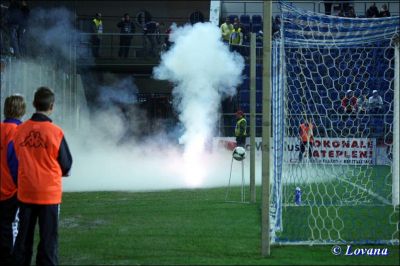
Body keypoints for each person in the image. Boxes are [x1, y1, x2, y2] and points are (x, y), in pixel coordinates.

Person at [10, 87, 73, 266]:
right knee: (48, 241)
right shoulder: (56, 132)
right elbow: (67, 164)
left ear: (33, 104)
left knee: (23, 239)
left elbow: (17, 156)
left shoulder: (19, 131)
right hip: (48, 194)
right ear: (51, 106)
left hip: (26, 191)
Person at [0, 94, 26, 265]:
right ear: (22, 111)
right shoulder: (19, 132)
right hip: (11, 188)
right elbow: (15, 162)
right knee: (12, 227)